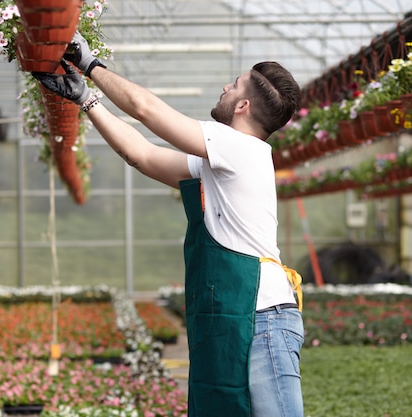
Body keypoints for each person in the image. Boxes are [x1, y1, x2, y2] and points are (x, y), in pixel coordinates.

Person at [33, 32, 305, 417]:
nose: (224, 87)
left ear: (243, 105)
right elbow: (141, 155)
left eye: (234, 85)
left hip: (261, 318)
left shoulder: (241, 149)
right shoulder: (220, 161)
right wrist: (86, 100)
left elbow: (146, 110)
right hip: (237, 316)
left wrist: (90, 65)